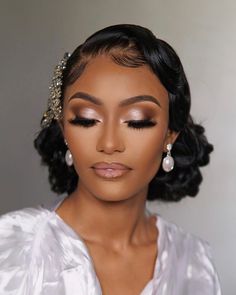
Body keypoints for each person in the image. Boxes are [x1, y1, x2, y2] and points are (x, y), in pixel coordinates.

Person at [0, 24, 221, 295]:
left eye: (137, 121)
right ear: (64, 128)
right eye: (86, 119)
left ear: (170, 135)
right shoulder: (11, 247)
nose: (109, 144)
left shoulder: (194, 264)